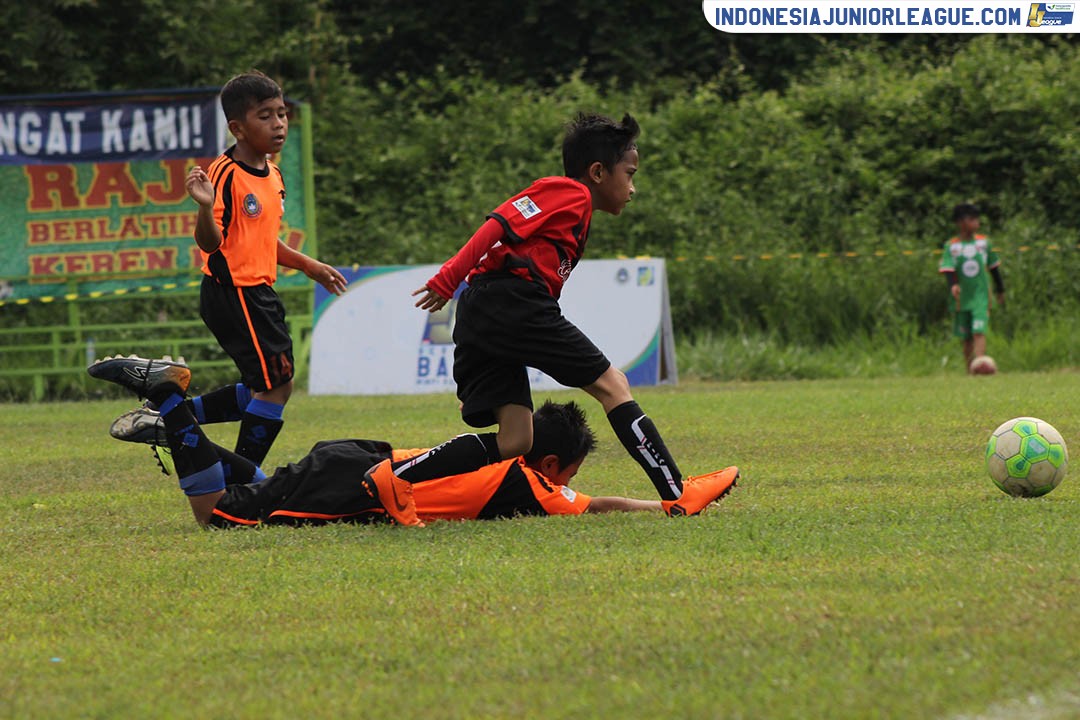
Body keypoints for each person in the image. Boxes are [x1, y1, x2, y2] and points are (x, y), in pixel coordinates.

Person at [363, 112, 736, 527]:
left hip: (488, 309)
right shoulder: (568, 193)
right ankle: (677, 494)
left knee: (515, 440)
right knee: (613, 385)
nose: (632, 188)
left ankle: (394, 477)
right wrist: (448, 277)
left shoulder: (574, 205)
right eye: (629, 174)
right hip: (511, 301)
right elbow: (496, 225)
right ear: (598, 172)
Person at [87, 355, 739, 528]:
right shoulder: (529, 481)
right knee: (214, 515)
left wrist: (672, 502)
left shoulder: (500, 459)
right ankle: (168, 397)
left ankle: (175, 431)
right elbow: (592, 505)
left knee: (253, 490)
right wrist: (670, 505)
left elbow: (593, 503)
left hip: (352, 459)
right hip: (351, 482)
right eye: (563, 475)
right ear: (549, 463)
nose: (566, 486)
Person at [109, 71, 347, 468]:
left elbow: (260, 239)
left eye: (282, 114)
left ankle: (167, 415)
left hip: (257, 293)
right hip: (234, 291)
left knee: (269, 385)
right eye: (266, 116)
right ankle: (241, 480)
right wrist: (204, 207)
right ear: (237, 127)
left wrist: (308, 265)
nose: (278, 124)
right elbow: (211, 242)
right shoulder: (224, 174)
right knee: (275, 389)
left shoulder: (272, 174)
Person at [939, 203, 1005, 371]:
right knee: (966, 336)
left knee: (979, 330)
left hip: (981, 295)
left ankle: (981, 365)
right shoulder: (952, 246)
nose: (977, 223)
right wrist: (953, 285)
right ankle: (970, 370)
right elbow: (948, 269)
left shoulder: (984, 243)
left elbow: (994, 267)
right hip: (962, 297)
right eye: (973, 219)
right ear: (961, 222)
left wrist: (1000, 289)